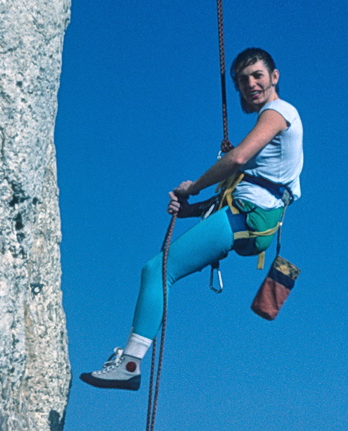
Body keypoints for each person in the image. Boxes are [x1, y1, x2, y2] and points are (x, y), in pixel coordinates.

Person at [80, 47, 303, 390]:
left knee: (157, 270)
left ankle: (129, 363)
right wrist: (192, 211)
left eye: (257, 75)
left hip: (248, 217)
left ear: (275, 76)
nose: (250, 84)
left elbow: (238, 158)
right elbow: (250, 182)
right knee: (158, 271)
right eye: (243, 81)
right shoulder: (276, 123)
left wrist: (194, 187)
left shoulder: (279, 111)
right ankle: (129, 361)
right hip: (249, 218)